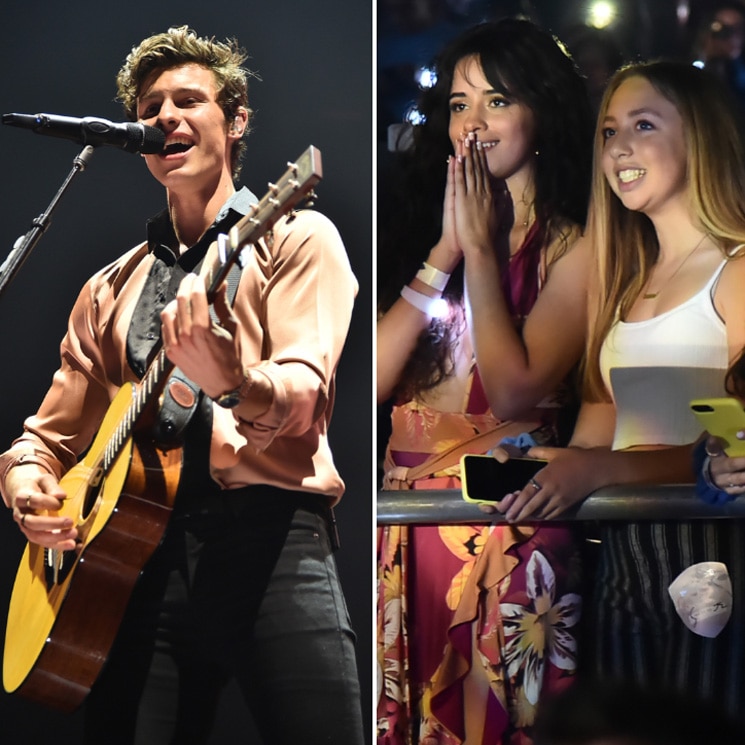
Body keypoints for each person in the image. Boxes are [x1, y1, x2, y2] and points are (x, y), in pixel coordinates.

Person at [0, 26, 365, 745]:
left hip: (271, 545)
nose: (165, 115)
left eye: (188, 99)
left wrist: (232, 381)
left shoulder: (294, 236)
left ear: (236, 122)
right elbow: (44, 438)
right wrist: (29, 489)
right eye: (150, 105)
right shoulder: (110, 286)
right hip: (131, 564)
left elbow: (302, 395)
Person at [494, 60, 745, 722]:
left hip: (711, 552)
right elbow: (599, 434)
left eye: (642, 124)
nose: (619, 148)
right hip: (620, 560)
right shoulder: (624, 281)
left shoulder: (738, 268)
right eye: (608, 130)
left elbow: (732, 447)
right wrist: (544, 464)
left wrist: (599, 468)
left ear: (701, 137)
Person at [377, 18, 594, 744]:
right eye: (458, 103)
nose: (471, 123)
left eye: (496, 101)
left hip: (506, 528)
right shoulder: (428, 232)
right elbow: (373, 380)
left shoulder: (574, 243)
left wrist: (481, 248)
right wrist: (444, 249)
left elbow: (511, 393)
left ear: (543, 109)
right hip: (405, 527)